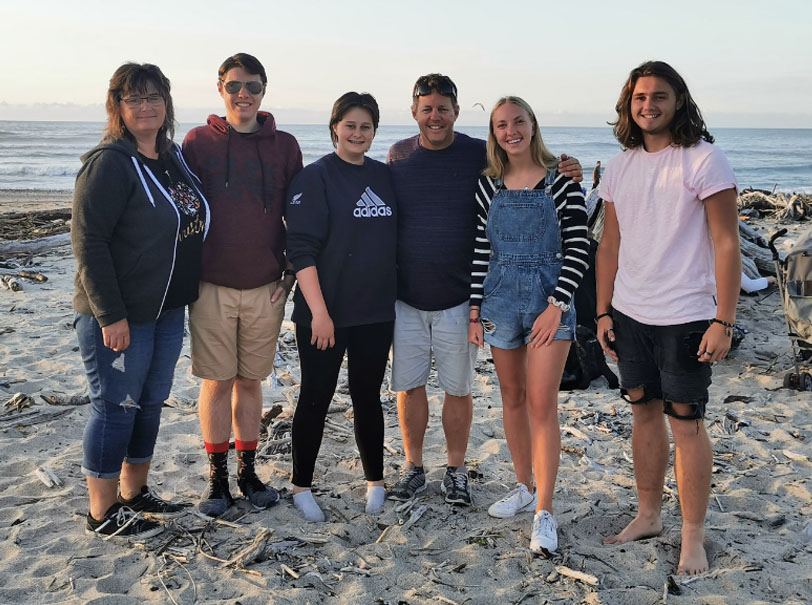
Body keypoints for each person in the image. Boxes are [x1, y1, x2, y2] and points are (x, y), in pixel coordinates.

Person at [386, 74, 583, 506]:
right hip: (438, 297)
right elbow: (476, 245)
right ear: (415, 111)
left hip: (495, 298)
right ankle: (423, 468)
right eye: (427, 108)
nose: (435, 116)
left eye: (443, 108)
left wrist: (570, 171)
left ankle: (485, 482)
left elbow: (576, 244)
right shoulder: (403, 157)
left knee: (492, 394)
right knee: (424, 387)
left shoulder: (492, 158)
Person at [595, 60, 741, 575]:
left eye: (659, 96)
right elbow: (609, 243)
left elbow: (727, 242)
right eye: (639, 97)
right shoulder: (620, 165)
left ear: (678, 100)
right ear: (628, 103)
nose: (648, 105)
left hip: (686, 316)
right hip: (630, 312)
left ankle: (693, 536)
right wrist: (601, 310)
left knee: (687, 424)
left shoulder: (704, 160)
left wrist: (724, 319)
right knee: (641, 412)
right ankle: (650, 514)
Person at [72, 62, 209, 539]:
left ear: (167, 103)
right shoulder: (109, 163)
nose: (147, 106)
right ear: (118, 106)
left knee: (149, 403)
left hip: (168, 310)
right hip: (121, 315)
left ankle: (135, 494)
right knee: (115, 406)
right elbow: (89, 244)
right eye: (135, 98)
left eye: (154, 97)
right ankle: (101, 513)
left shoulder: (170, 157)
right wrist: (111, 315)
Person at [182, 53, 302, 516]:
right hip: (211, 284)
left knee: (250, 382)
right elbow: (181, 211)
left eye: (252, 86)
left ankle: (248, 472)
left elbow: (302, 215)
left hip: (266, 286)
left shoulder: (286, 146)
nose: (243, 94)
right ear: (220, 89)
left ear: (264, 90)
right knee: (217, 382)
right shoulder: (197, 143)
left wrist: (291, 271)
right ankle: (217, 478)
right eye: (234, 86)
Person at [468, 97, 588, 554]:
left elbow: (579, 246)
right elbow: (481, 251)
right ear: (494, 133)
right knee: (512, 398)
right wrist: (475, 311)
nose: (510, 131)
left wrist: (558, 304)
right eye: (501, 125)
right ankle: (523, 487)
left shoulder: (561, 182)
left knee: (542, 404)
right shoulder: (487, 187)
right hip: (499, 299)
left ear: (533, 125)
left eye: (518, 121)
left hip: (547, 300)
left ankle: (546, 512)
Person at [285, 92, 397, 522]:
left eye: (365, 127)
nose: (357, 133)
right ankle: (301, 485)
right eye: (350, 125)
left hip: (374, 311)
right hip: (323, 314)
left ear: (374, 132)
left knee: (368, 396)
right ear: (335, 128)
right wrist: (320, 312)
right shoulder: (315, 178)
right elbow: (301, 249)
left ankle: (375, 481)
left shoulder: (385, 177)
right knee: (316, 395)